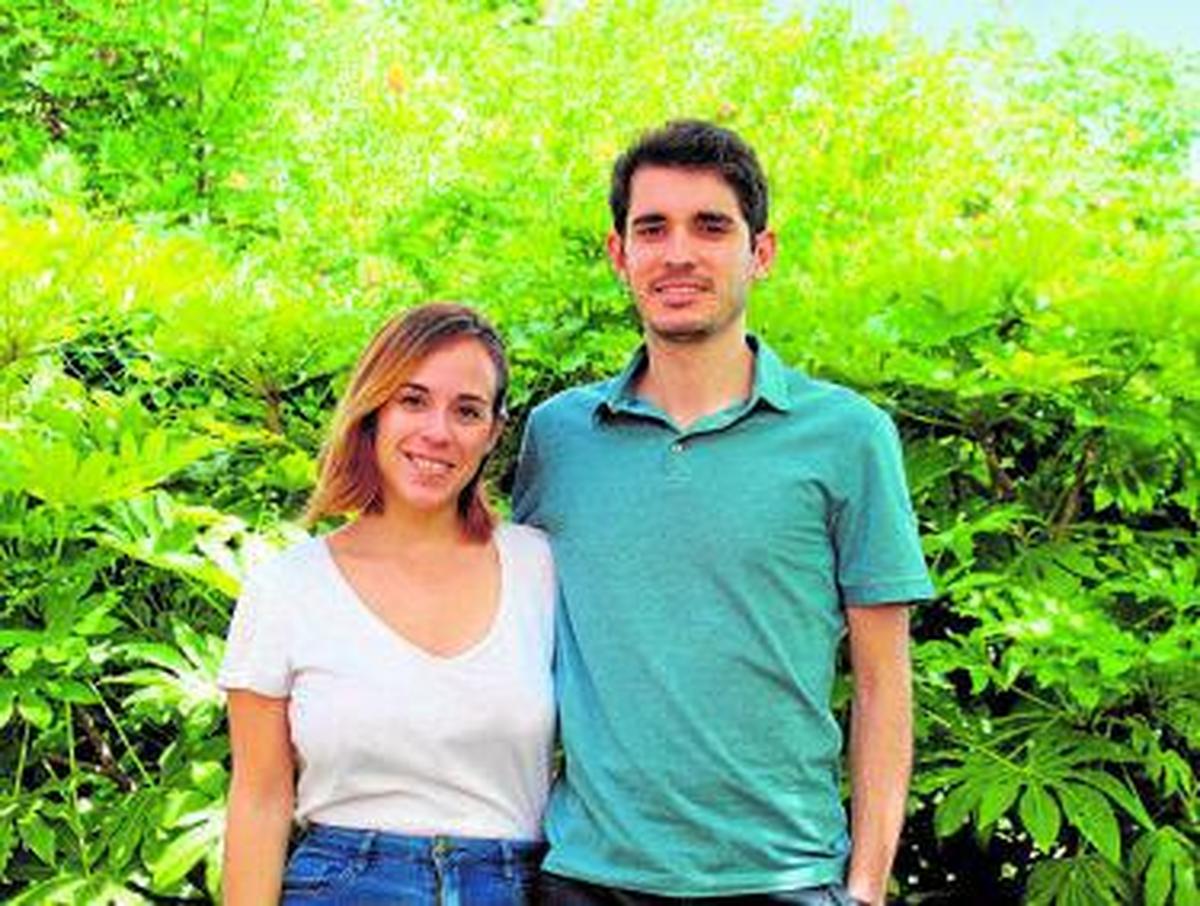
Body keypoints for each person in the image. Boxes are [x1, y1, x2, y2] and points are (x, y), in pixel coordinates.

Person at [513, 121, 934, 905]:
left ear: (760, 251)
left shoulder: (848, 436)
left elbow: (883, 683)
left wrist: (867, 889)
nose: (678, 254)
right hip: (587, 878)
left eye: (710, 227)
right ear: (619, 255)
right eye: (652, 229)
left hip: (784, 878)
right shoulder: (558, 437)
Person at [219, 303, 556, 905]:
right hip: (342, 883)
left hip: (511, 884)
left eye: (468, 411)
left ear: (495, 434)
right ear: (373, 410)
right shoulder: (288, 587)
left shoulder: (541, 568)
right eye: (413, 400)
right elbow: (260, 799)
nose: (438, 431)